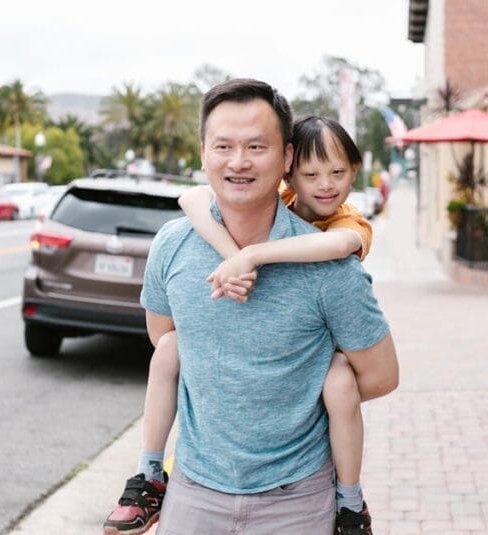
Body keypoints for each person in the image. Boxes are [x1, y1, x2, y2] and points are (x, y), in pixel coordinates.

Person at [104, 79, 398, 535]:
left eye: (256, 146)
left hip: (297, 502)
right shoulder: (172, 246)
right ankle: (148, 478)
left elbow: (381, 376)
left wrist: (293, 395)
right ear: (203, 152)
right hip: (192, 494)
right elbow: (166, 339)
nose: (238, 162)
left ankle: (350, 502)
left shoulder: (331, 263)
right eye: (223, 145)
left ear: (285, 160)